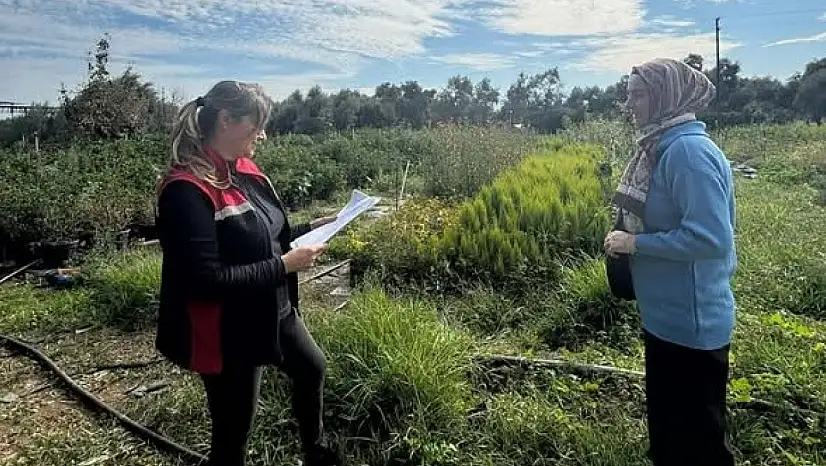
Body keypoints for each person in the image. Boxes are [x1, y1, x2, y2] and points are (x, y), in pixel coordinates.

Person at [153, 80, 343, 466]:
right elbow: (205, 282)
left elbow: (266, 232)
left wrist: (312, 226)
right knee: (234, 426)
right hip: (228, 329)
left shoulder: (245, 172)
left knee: (312, 369)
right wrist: (285, 266)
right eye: (256, 125)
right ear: (226, 120)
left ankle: (315, 451)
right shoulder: (186, 191)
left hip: (274, 308)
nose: (264, 134)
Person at [603, 58, 737, 466]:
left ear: (667, 96)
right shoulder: (661, 146)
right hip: (666, 319)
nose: (630, 103)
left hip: (690, 327)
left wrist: (635, 243)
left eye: (639, 94)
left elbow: (711, 239)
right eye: (629, 94)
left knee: (698, 446)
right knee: (671, 439)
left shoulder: (687, 154)